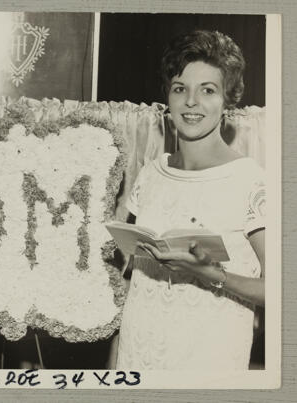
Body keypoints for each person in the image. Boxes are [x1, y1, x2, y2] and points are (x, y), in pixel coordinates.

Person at [116, 30, 265, 370]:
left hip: (207, 362)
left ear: (228, 100)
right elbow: (132, 279)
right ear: (168, 97)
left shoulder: (249, 179)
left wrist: (213, 275)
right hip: (138, 356)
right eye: (180, 88)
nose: (191, 102)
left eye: (208, 90)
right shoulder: (151, 174)